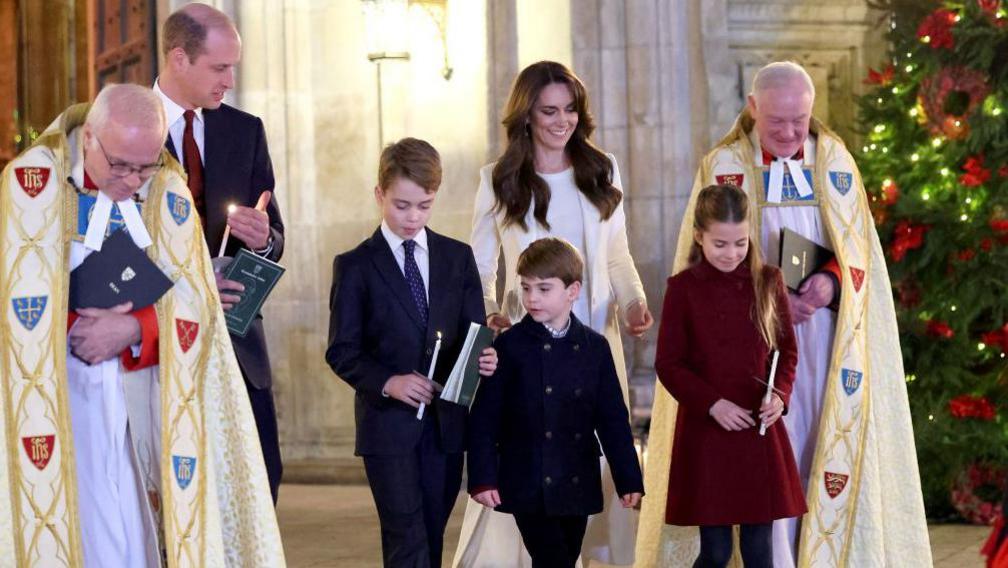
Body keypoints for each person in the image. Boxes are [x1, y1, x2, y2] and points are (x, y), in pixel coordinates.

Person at [635, 61, 931, 566]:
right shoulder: (724, 165)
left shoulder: (834, 161)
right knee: (766, 452)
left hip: (824, 339)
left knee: (816, 437)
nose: (792, 132)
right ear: (752, 109)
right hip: (748, 345)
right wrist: (770, 301)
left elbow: (859, 251)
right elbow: (699, 260)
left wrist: (831, 280)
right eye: (778, 122)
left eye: (800, 119)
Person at [0, 84, 283, 566]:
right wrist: (73, 327)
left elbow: (196, 303)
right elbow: (14, 304)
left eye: (145, 165)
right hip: (62, 403)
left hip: (146, 403)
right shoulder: (28, 186)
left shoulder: (167, 188)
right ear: (89, 137)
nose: (134, 180)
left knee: (139, 536)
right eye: (120, 165)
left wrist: (134, 329)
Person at [457, 59, 652, 568]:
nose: (561, 120)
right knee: (530, 451)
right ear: (526, 115)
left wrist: (633, 301)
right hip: (525, 345)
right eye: (549, 110)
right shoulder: (497, 180)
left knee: (596, 451)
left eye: (569, 109)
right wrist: (490, 316)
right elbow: (478, 266)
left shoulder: (600, 168)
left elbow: (617, 255)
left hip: (593, 341)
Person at [326, 137, 498, 568]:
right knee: (406, 538)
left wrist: (485, 359)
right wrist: (389, 382)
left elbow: (474, 336)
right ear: (379, 194)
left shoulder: (458, 258)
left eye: (424, 205)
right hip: (388, 428)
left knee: (432, 536)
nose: (413, 217)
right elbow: (342, 350)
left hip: (444, 427)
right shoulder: (356, 266)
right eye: (402, 205)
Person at [155, 2, 285, 503]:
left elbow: (275, 233)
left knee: (258, 485)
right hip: (157, 344)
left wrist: (262, 237)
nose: (229, 79)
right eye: (220, 67)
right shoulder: (124, 126)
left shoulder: (244, 130)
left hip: (237, 342)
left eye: (234, 67)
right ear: (179, 58)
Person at [467, 237, 644, 568]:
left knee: (563, 556)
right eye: (526, 287)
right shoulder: (508, 347)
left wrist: (628, 478)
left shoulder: (595, 348)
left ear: (573, 290)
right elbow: (485, 418)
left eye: (544, 289)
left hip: (576, 477)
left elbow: (612, 420)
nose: (532, 298)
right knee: (552, 560)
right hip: (526, 478)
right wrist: (482, 477)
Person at [655, 184, 805, 567]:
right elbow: (669, 364)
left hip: (759, 432)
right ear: (699, 236)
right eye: (720, 244)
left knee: (759, 550)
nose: (731, 253)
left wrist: (780, 396)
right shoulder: (682, 289)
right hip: (708, 435)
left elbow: (786, 352)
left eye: (740, 243)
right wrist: (712, 405)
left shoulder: (768, 281)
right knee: (717, 551)